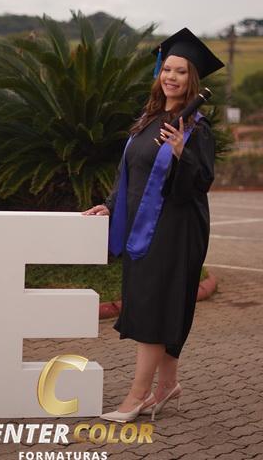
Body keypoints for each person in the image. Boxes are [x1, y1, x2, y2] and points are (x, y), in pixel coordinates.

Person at [82, 27, 225, 422]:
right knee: (160, 304)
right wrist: (111, 206)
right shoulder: (150, 119)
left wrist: (182, 153)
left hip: (176, 229)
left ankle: (137, 397)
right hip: (143, 227)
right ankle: (167, 387)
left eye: (181, 71)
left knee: (153, 308)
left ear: (192, 79)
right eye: (167, 69)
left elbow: (201, 184)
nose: (171, 77)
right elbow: (131, 172)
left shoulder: (195, 128)